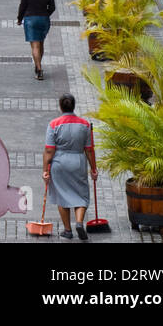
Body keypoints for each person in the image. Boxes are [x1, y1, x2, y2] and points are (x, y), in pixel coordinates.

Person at [43, 93, 98, 239]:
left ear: (60, 107)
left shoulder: (53, 124)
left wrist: (45, 171)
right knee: (81, 194)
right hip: (78, 162)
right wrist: (93, 169)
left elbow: (49, 150)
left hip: (59, 163)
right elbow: (89, 149)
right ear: (74, 106)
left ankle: (68, 230)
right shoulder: (85, 124)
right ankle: (79, 222)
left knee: (62, 195)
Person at [17, 0, 56, 81]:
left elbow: (22, 7)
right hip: (44, 20)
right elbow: (52, 7)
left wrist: (19, 19)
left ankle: (39, 70)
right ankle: (38, 65)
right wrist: (45, 15)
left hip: (31, 20)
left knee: (35, 46)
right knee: (41, 44)